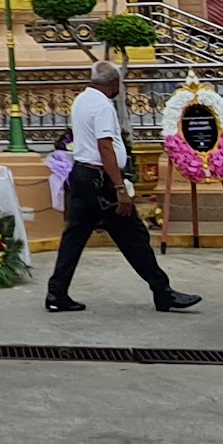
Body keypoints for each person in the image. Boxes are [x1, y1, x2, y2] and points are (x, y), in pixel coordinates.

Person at [45, 61, 202, 315]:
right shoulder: (103, 106)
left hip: (82, 175)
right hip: (101, 181)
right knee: (134, 236)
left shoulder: (82, 99)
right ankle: (163, 292)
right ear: (113, 83)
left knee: (74, 237)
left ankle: (56, 293)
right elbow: (105, 146)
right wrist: (119, 187)